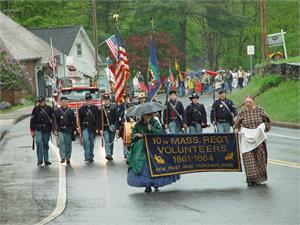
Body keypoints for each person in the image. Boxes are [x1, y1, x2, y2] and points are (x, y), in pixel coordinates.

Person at [127, 113, 180, 193]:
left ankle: (157, 183)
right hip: (142, 150)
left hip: (154, 148)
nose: (146, 117)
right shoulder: (138, 124)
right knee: (145, 168)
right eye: (144, 115)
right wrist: (138, 136)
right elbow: (133, 134)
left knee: (156, 165)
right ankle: (147, 186)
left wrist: (152, 129)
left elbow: (161, 133)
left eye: (148, 115)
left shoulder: (155, 122)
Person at [234, 96, 271, 186]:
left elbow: (267, 121)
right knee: (248, 159)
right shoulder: (242, 112)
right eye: (246, 102)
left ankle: (259, 178)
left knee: (260, 158)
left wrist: (264, 128)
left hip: (259, 138)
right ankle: (250, 179)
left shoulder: (260, 110)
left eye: (249, 102)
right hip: (246, 138)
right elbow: (237, 124)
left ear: (253, 102)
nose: (248, 104)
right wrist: (236, 129)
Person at [30, 96, 53, 166]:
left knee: (46, 144)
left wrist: (53, 129)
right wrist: (32, 131)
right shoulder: (35, 109)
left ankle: (46, 160)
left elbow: (53, 120)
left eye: (42, 101)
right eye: (40, 102)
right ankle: (40, 160)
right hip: (38, 128)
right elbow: (32, 121)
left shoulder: (49, 109)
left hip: (47, 129)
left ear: (44, 101)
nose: (41, 103)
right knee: (39, 142)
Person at [53, 97, 76, 164]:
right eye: (62, 101)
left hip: (68, 129)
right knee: (61, 143)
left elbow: (74, 121)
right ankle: (63, 157)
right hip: (60, 129)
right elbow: (55, 121)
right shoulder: (57, 111)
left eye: (65, 101)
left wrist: (74, 129)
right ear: (60, 102)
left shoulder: (71, 111)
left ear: (67, 102)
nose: (63, 103)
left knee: (68, 144)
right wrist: (55, 129)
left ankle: (68, 157)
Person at [77, 93, 100, 163]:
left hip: (92, 128)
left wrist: (97, 128)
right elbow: (78, 119)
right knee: (86, 141)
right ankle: (87, 156)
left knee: (91, 142)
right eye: (87, 100)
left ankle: (91, 155)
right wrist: (79, 127)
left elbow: (98, 119)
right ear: (85, 100)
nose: (88, 101)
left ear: (91, 100)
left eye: (89, 100)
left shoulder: (95, 108)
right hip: (85, 127)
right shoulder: (81, 109)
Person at [100, 93, 117, 160]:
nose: (106, 101)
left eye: (107, 99)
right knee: (106, 140)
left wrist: (116, 126)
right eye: (105, 100)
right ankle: (108, 154)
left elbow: (116, 117)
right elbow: (100, 119)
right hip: (105, 127)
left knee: (111, 141)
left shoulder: (114, 107)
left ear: (109, 100)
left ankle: (111, 153)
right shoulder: (102, 108)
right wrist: (100, 129)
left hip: (112, 127)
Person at [116, 93, 134, 158]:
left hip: (131, 125)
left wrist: (129, 106)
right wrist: (117, 129)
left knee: (132, 140)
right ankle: (126, 154)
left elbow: (135, 116)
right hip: (123, 126)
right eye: (124, 98)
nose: (126, 99)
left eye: (127, 98)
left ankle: (131, 153)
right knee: (125, 140)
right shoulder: (120, 107)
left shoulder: (132, 106)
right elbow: (118, 118)